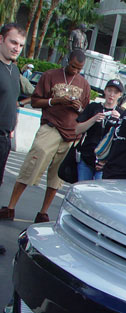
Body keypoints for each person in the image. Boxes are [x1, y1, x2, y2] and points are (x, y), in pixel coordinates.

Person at [0, 49, 89, 224]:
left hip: (70, 134)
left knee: (57, 178)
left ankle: (43, 212)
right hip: (51, 127)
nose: (76, 71)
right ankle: (10, 206)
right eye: (73, 67)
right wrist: (55, 101)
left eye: (79, 69)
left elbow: (85, 110)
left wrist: (77, 107)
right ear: (67, 61)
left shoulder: (84, 84)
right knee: (31, 166)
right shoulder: (50, 76)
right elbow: (35, 101)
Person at [0, 23, 27, 255]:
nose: (17, 48)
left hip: (4, 139)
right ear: (1, 40)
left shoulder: (14, 70)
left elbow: (15, 100)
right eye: (13, 42)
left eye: (20, 45)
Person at [74, 79, 123, 180]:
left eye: (115, 92)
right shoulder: (93, 107)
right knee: (83, 186)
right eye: (109, 90)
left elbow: (121, 140)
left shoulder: (122, 113)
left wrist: (119, 120)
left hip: (105, 161)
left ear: (120, 95)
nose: (112, 95)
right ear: (105, 91)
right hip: (87, 156)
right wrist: (93, 119)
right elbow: (77, 130)